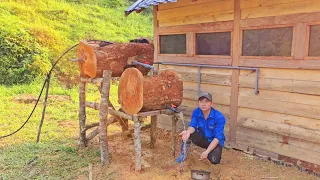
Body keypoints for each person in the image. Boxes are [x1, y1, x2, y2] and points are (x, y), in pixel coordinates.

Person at [176, 92, 226, 164]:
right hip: (202, 138)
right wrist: (188, 132)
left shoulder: (219, 117)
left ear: (211, 104)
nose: (203, 104)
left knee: (214, 160)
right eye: (201, 101)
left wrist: (207, 152)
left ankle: (207, 153)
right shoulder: (196, 112)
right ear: (198, 103)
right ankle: (183, 155)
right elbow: (192, 126)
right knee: (188, 135)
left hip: (214, 141)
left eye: (206, 101)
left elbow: (217, 138)